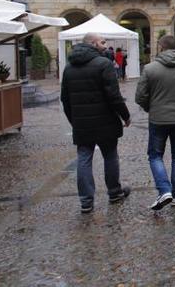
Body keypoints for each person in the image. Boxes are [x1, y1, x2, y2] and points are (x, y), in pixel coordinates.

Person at [60, 32, 131, 214]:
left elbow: (65, 100)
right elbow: (114, 96)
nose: (105, 45)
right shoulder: (103, 64)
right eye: (102, 42)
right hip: (106, 120)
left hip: (82, 124)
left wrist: (74, 120)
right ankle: (114, 192)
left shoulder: (69, 68)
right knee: (110, 156)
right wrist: (125, 116)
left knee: (84, 158)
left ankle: (86, 201)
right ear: (92, 43)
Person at [135, 35, 175, 211]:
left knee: (155, 155)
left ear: (161, 47)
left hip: (158, 119)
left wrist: (151, 107)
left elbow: (140, 96)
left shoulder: (150, 68)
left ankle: (164, 190)